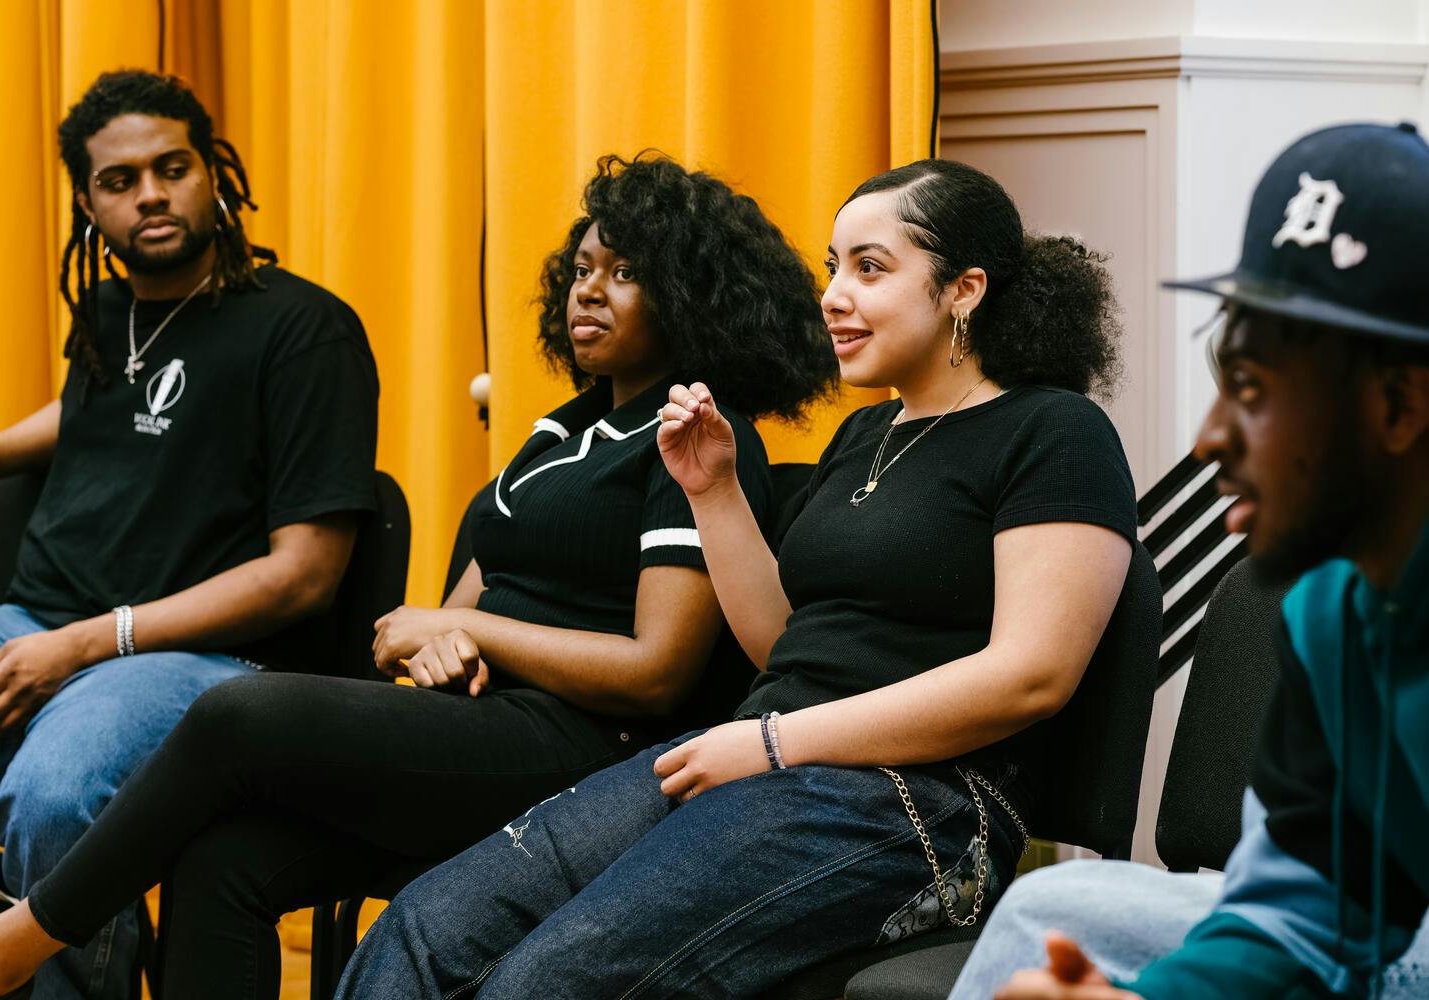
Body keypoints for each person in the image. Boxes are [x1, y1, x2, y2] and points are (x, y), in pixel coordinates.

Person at [0, 152, 837, 1000]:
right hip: (478, 726)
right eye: (584, 267)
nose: (589, 290)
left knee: (237, 714)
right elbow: (460, 612)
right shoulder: (554, 436)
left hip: (587, 753)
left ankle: (19, 941)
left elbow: (658, 670)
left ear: (692, 297)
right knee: (223, 857)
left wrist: (473, 633)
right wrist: (446, 638)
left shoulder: (697, 441)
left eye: (626, 272)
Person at [325, 157, 1139, 998]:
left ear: (964, 288)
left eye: (870, 267)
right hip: (763, 758)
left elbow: (1030, 676)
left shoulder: (1055, 430)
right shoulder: (864, 437)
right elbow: (784, 644)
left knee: (545, 984)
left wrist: (776, 743)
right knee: (422, 930)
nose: (832, 294)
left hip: (913, 806)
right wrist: (711, 490)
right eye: (832, 266)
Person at [0, 70, 379, 998]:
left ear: (214, 172)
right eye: (120, 180)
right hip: (39, 622)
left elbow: (304, 576)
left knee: (58, 794)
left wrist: (89, 644)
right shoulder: (108, 315)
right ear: (88, 203)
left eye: (171, 168)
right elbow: (88, 410)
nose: (151, 195)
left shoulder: (305, 331)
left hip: (216, 664)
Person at [967, 122, 1429, 1000]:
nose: (1209, 438)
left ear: (1400, 405)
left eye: (1253, 390)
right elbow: (1301, 907)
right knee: (1046, 910)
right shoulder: (1331, 608)